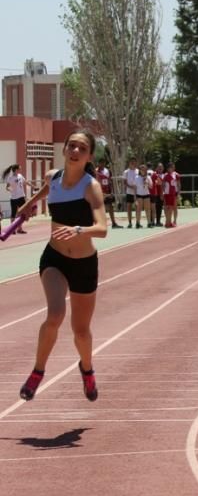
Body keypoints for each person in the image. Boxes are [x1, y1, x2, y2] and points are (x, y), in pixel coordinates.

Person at [15, 130, 108, 403]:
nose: (75, 151)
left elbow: (102, 229)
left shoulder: (91, 186)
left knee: (81, 331)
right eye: (72, 146)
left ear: (89, 155)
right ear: (65, 149)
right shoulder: (53, 177)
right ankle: (37, 372)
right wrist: (29, 205)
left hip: (84, 264)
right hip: (54, 257)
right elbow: (48, 190)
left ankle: (87, 369)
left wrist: (79, 229)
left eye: (82, 148)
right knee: (55, 314)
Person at [95, 157, 122, 229]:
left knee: (110, 207)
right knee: (101, 208)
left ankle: (114, 223)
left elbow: (110, 182)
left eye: (103, 162)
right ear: (98, 163)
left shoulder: (108, 171)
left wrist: (111, 191)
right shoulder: (96, 171)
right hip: (100, 192)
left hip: (108, 192)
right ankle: (101, 224)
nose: (102, 164)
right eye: (101, 162)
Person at [3, 163, 28, 234]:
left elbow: (25, 182)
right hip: (14, 198)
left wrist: (33, 186)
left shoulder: (20, 176)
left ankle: (20, 229)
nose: (20, 169)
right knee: (13, 214)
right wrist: (10, 189)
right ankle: (12, 230)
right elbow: (7, 187)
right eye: (19, 168)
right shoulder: (10, 178)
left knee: (22, 213)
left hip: (21, 197)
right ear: (16, 169)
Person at [162, 162, 180, 228]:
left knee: (174, 207)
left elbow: (178, 184)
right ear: (168, 168)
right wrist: (162, 193)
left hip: (174, 193)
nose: (172, 168)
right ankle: (168, 221)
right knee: (167, 208)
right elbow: (163, 185)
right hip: (167, 194)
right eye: (171, 167)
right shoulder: (165, 175)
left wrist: (178, 193)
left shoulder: (176, 175)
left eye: (173, 167)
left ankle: (174, 221)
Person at [135, 163, 151, 229]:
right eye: (141, 169)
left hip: (146, 195)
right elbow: (135, 188)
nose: (143, 170)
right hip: (139, 195)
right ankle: (138, 223)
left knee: (147, 209)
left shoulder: (148, 177)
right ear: (140, 170)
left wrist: (147, 182)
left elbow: (151, 186)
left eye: (144, 169)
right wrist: (134, 198)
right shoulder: (136, 177)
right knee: (138, 210)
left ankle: (149, 223)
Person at [123, 158, 139, 228]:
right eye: (131, 162)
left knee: (137, 207)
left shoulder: (138, 171)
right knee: (129, 207)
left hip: (137, 193)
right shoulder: (126, 172)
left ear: (136, 163)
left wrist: (136, 187)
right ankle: (130, 223)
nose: (133, 163)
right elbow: (125, 183)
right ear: (129, 163)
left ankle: (137, 222)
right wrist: (131, 187)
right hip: (129, 192)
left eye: (134, 162)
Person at [149, 162, 163, 227]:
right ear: (156, 168)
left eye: (161, 167)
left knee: (159, 208)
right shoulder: (154, 174)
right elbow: (159, 183)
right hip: (154, 194)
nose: (160, 169)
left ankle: (158, 221)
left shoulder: (163, 175)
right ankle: (152, 221)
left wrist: (162, 194)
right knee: (153, 208)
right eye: (159, 167)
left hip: (160, 193)